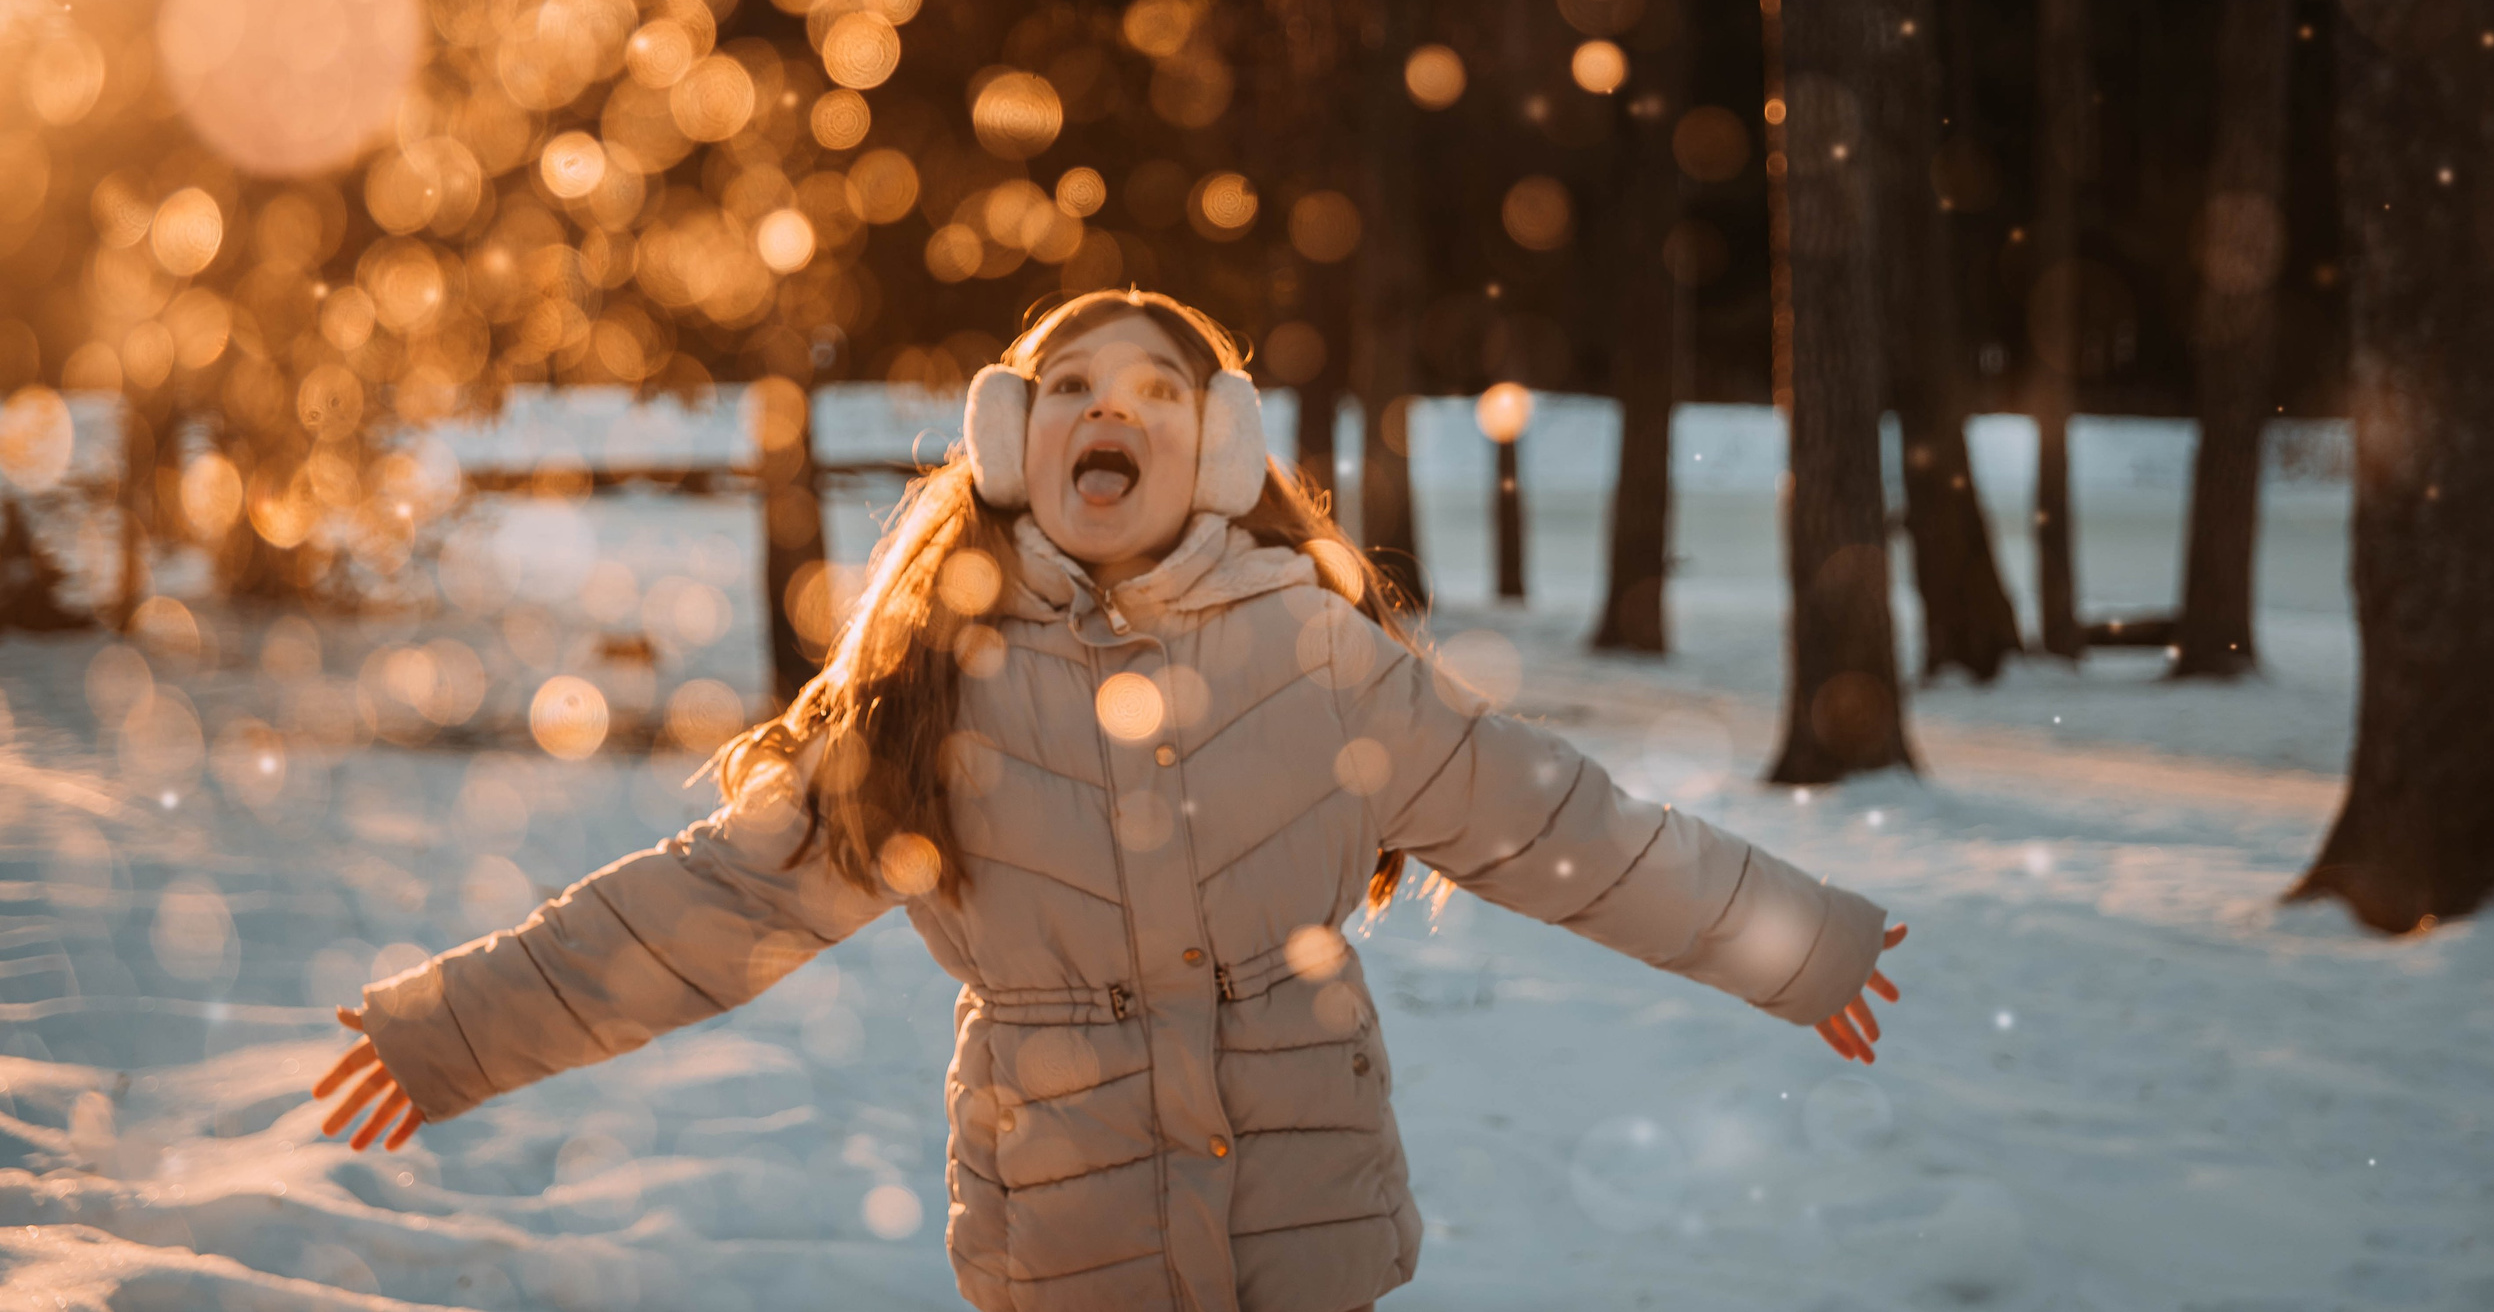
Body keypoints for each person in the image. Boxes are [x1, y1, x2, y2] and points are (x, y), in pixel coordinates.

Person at [313, 289, 1906, 1312]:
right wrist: (458, 1027)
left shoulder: (1324, 659)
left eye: (1158, 387)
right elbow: (717, 900)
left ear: (1215, 449)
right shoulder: (938, 687)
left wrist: (1793, 940)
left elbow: (1572, 829)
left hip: (1301, 1232)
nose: (1112, 410)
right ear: (1016, 441)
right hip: (1067, 1240)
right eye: (1072, 384)